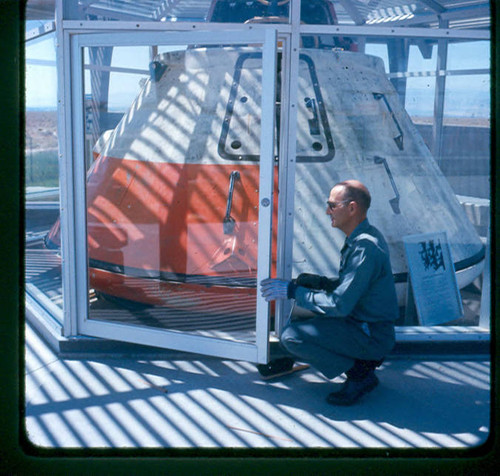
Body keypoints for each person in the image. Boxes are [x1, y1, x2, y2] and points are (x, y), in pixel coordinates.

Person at [260, 180, 399, 406]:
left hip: (370, 336)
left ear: (352, 208)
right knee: (307, 300)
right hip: (364, 325)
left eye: (332, 206)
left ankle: (360, 374)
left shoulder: (365, 247)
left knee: (291, 336)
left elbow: (339, 305)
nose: (327, 211)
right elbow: (357, 288)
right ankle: (359, 364)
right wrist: (322, 283)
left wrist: (293, 290)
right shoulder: (365, 237)